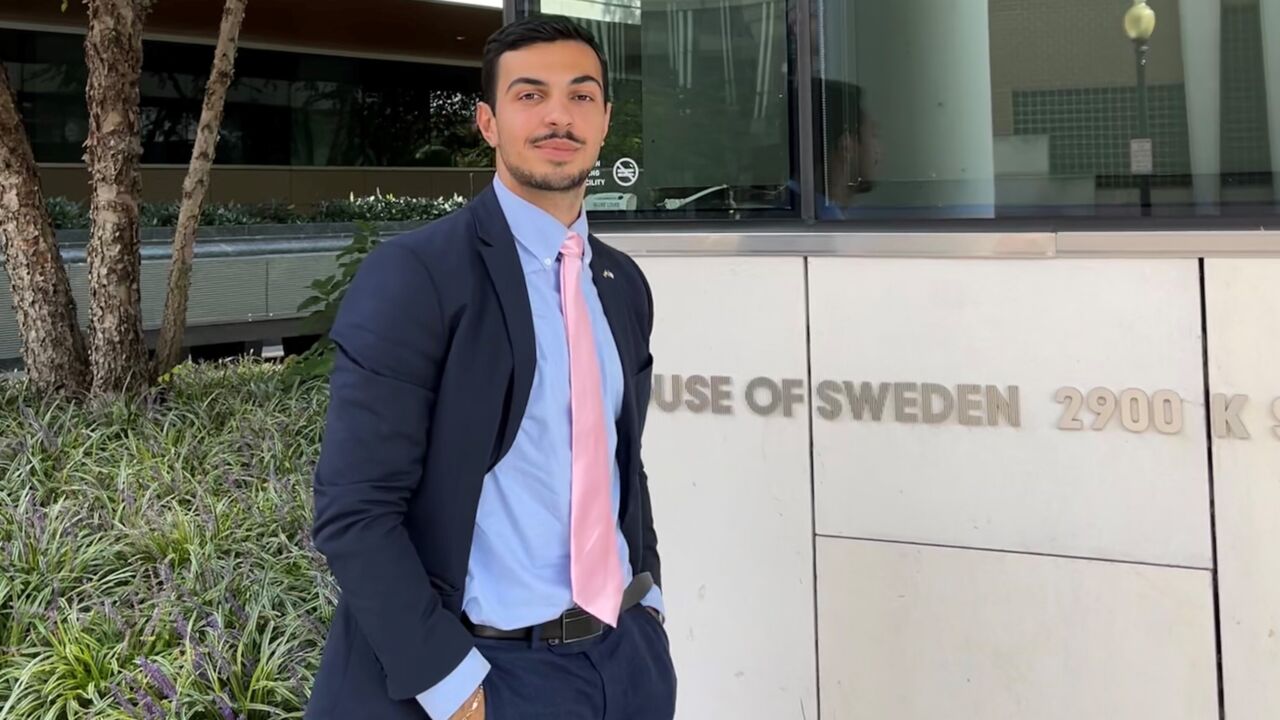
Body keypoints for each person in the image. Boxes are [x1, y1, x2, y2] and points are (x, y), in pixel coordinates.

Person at [305, 14, 675, 720]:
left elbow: (618, 461)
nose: (559, 116)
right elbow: (356, 509)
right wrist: (454, 689)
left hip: (624, 667)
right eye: (530, 95)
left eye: (581, 95)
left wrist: (647, 602)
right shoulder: (417, 276)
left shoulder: (620, 283)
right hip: (489, 675)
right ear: (488, 122)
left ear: (605, 121)